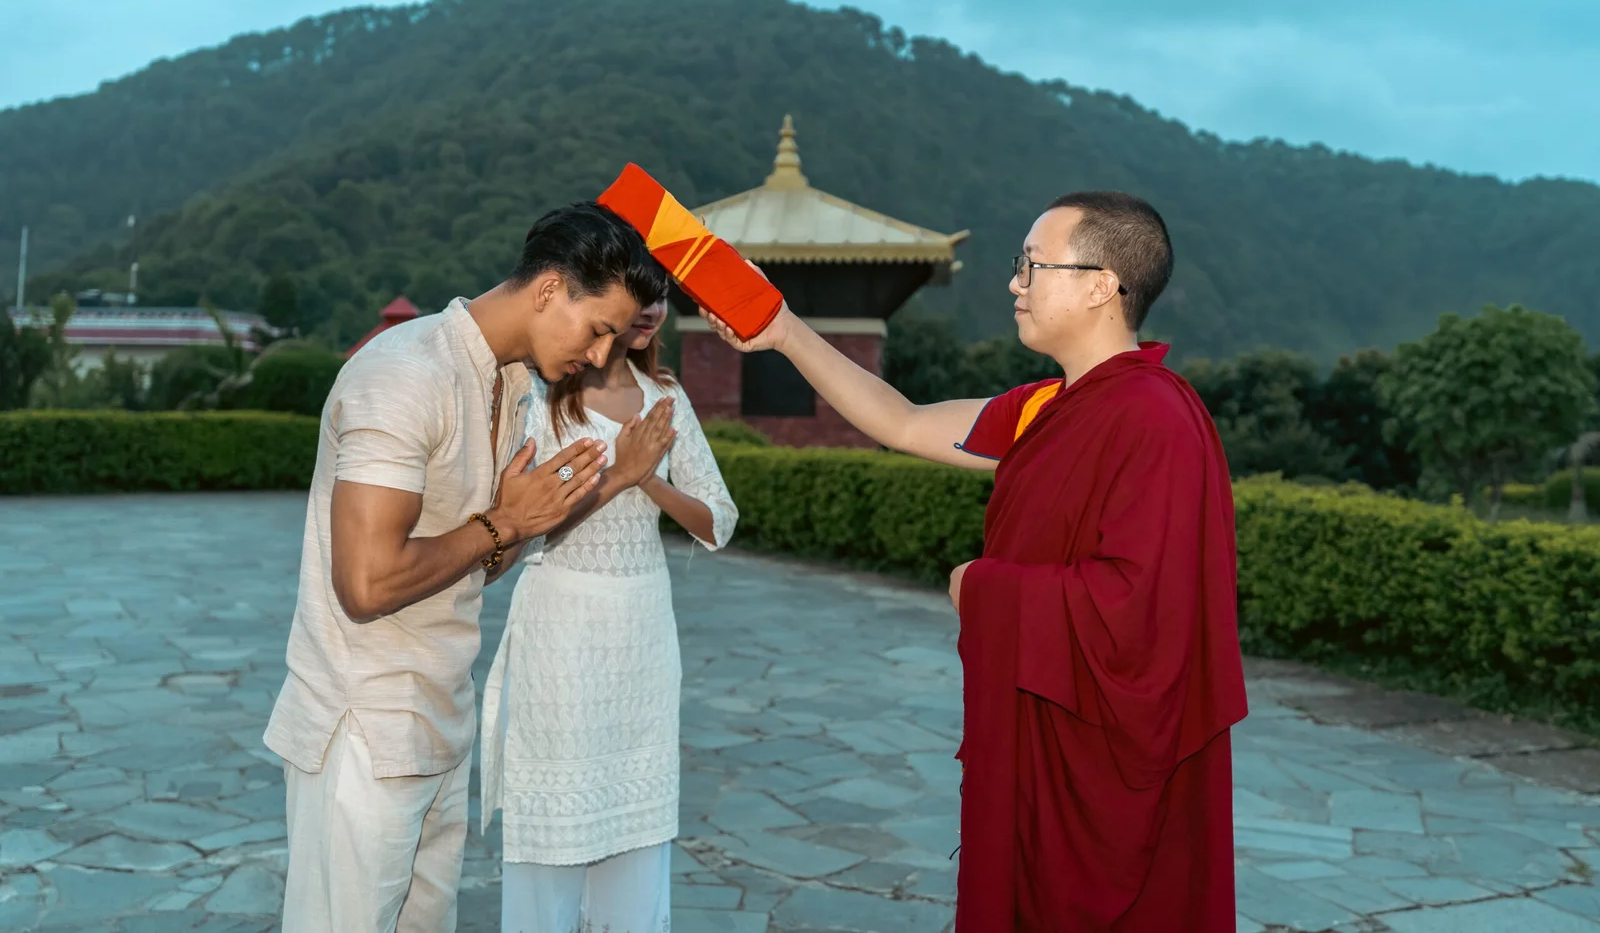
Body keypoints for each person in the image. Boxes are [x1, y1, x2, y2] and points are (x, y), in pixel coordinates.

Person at [702, 191, 1248, 931]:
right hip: (1041, 727)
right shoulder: (1043, 408)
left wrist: (982, 587)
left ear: (1100, 285)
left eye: (1033, 265)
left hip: (1109, 765)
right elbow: (900, 420)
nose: (1015, 283)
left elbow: (1143, 609)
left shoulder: (1154, 416)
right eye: (1018, 264)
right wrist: (785, 331)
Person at [265, 201, 666, 933]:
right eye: (600, 329)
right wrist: (506, 520)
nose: (603, 356)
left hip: (438, 721)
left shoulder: (511, 388)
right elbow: (365, 583)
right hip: (363, 725)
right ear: (549, 290)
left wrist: (558, 505)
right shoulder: (405, 374)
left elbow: (480, 561)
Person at [481, 292, 737, 932]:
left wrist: (649, 478)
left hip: (641, 627)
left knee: (635, 823)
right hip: (561, 620)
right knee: (555, 830)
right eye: (635, 295)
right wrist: (620, 474)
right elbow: (525, 531)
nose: (649, 310)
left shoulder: (666, 400)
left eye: (660, 297)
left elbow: (719, 521)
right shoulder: (542, 396)